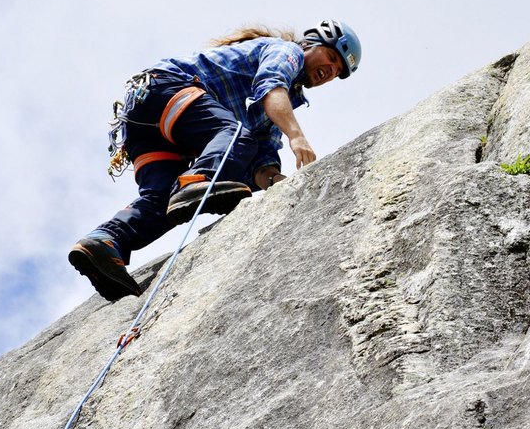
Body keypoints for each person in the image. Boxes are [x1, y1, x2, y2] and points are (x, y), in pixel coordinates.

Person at [68, 19, 362, 300]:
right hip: (166, 90)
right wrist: (297, 137)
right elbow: (272, 86)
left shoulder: (282, 104)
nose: (332, 70)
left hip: (147, 124)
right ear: (310, 43)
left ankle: (106, 242)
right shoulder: (287, 52)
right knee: (234, 137)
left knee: (163, 199)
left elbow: (262, 158)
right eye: (331, 57)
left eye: (338, 71)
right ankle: (197, 181)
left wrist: (277, 183)